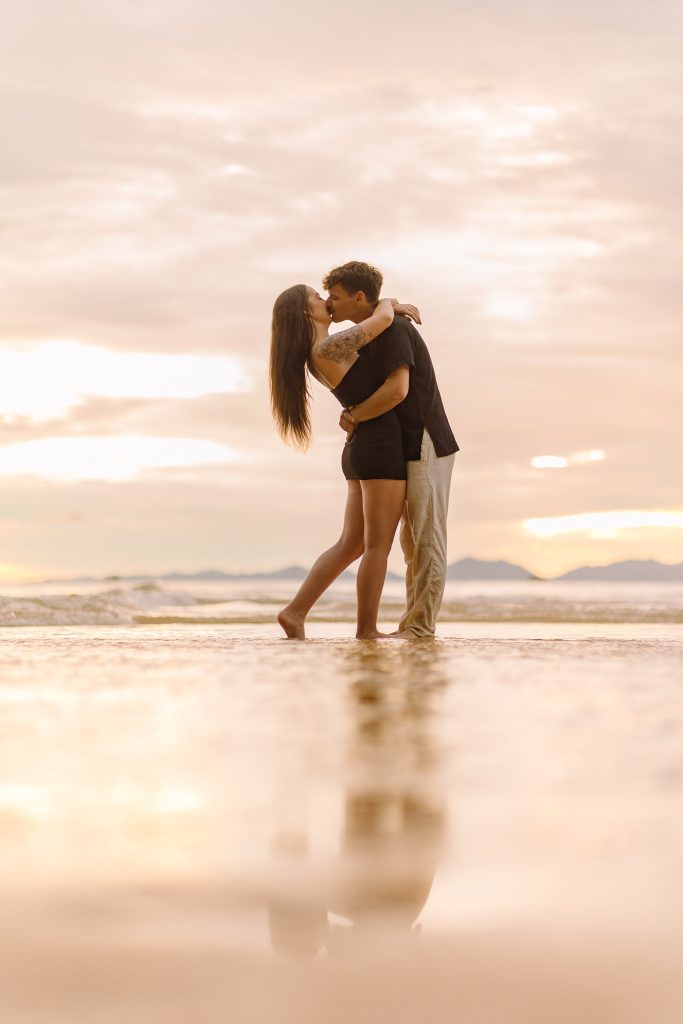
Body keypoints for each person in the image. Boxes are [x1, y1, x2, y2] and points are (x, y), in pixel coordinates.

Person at [269, 284, 420, 640]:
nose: (325, 300)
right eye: (316, 298)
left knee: (351, 544)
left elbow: (379, 321)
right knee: (376, 547)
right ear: (307, 313)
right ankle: (367, 630)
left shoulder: (322, 348)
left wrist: (389, 307)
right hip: (379, 445)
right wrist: (390, 303)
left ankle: (295, 612)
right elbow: (382, 317)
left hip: (363, 446)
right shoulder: (326, 347)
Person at [323, 261, 459, 638]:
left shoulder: (395, 330)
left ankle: (419, 626)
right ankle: (413, 625)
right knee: (411, 542)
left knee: (426, 537)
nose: (330, 304)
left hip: (426, 437)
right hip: (406, 441)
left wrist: (354, 417)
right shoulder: (376, 330)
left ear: (359, 297)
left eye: (335, 297)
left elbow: (397, 391)